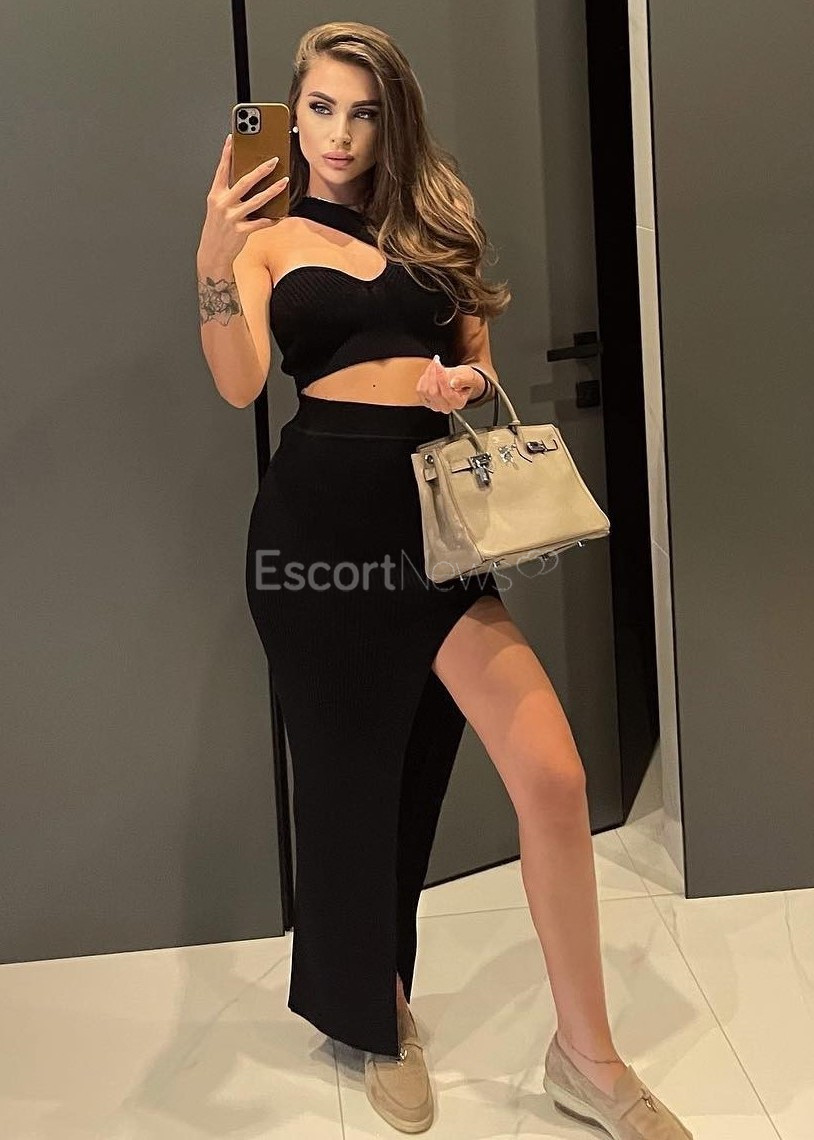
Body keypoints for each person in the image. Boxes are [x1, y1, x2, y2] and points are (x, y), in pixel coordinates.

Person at [196, 20, 693, 1140]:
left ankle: (587, 1057)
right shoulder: (266, 241)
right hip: (318, 533)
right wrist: (211, 262)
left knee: (551, 776)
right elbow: (238, 383)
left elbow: (477, 365)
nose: (339, 134)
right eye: (320, 108)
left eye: (363, 112)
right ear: (292, 116)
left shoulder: (430, 227)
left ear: (393, 122)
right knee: (346, 784)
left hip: (429, 527)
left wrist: (455, 385)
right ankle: (377, 1009)